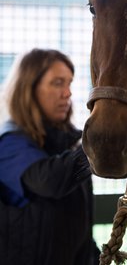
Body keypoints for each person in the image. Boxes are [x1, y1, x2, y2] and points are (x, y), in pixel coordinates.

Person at [0, 48, 100, 265]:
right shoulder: (9, 143)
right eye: (57, 83)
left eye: (69, 83)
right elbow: (49, 180)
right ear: (29, 88)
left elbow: (78, 225)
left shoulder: (69, 144)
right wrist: (98, 141)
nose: (68, 93)